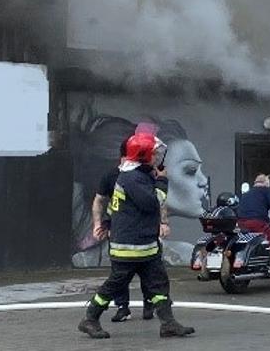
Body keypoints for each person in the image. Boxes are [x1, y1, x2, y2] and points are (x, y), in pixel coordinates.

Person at [80, 133, 194, 340]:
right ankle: (90, 319)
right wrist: (162, 183)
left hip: (144, 245)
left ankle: (168, 323)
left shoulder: (136, 175)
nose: (158, 157)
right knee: (115, 285)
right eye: (154, 153)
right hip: (130, 247)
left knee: (159, 284)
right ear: (142, 155)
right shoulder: (133, 178)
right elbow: (151, 204)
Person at [91, 137, 159, 323]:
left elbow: (157, 202)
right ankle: (121, 307)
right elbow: (100, 200)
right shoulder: (121, 176)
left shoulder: (144, 174)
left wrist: (164, 223)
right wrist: (99, 224)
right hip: (121, 233)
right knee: (119, 277)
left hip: (138, 233)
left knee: (149, 274)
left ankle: (150, 305)